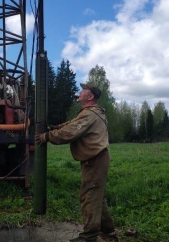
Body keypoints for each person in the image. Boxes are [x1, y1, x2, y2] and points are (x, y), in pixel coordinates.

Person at [35, 83, 117, 242]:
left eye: (83, 91)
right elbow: (71, 124)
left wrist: (47, 136)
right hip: (95, 158)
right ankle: (109, 233)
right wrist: (54, 127)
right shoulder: (90, 113)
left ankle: (89, 237)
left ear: (90, 96)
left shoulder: (90, 114)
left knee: (90, 196)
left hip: (95, 159)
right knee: (96, 196)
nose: (79, 93)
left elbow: (70, 132)